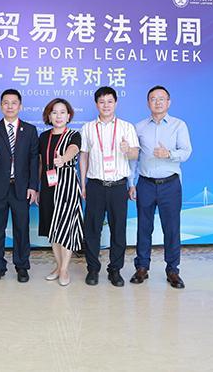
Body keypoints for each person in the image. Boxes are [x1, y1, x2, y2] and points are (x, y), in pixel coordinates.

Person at [130, 85, 192, 289]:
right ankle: (142, 267)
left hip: (170, 184)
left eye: (161, 99)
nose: (157, 102)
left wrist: (169, 154)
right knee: (144, 227)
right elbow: (134, 158)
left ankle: (173, 270)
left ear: (168, 102)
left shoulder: (178, 125)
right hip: (145, 183)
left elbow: (186, 152)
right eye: (153, 99)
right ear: (148, 102)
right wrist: (131, 183)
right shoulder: (139, 127)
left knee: (172, 229)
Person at [79, 86, 139, 287]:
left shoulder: (127, 127)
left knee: (118, 229)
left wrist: (127, 150)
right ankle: (92, 269)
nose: (106, 105)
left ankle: (115, 270)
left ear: (116, 103)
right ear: (96, 104)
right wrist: (83, 184)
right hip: (95, 185)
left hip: (118, 186)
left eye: (110, 101)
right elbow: (84, 156)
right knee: (92, 229)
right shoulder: (88, 128)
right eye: (102, 101)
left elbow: (135, 155)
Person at [0, 89, 39, 283]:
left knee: (21, 229)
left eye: (13, 103)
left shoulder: (30, 130)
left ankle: (22, 266)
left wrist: (33, 186)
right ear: (1, 106)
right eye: (5, 103)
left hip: (21, 188)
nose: (9, 106)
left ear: (20, 106)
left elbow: (34, 159)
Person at [37, 99, 83, 286]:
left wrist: (63, 158)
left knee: (65, 227)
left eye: (62, 112)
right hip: (48, 185)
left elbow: (74, 149)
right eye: (54, 112)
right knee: (53, 227)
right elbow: (41, 163)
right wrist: (38, 188)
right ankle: (58, 265)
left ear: (68, 115)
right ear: (49, 116)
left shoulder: (74, 135)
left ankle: (64, 269)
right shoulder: (43, 137)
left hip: (67, 185)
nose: (58, 116)